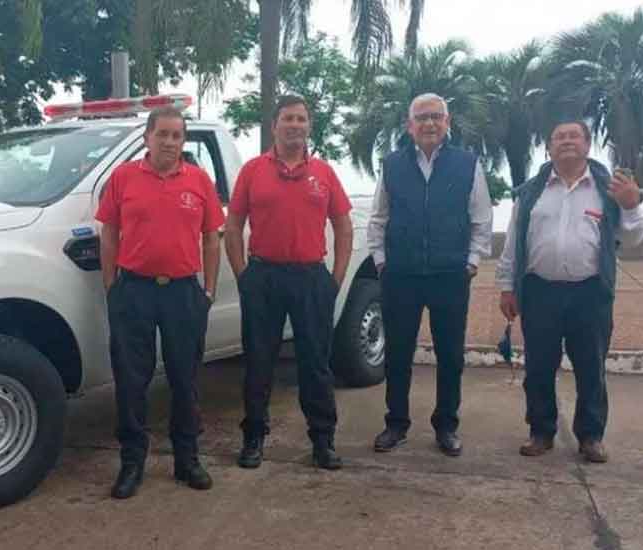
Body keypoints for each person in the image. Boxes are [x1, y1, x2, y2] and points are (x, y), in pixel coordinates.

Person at [96, 107, 225, 499]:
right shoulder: (123, 178)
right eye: (162, 134)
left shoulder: (199, 180)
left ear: (184, 140)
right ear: (147, 138)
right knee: (132, 380)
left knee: (184, 380)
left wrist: (208, 290)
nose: (170, 142)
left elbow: (211, 238)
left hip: (184, 293)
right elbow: (109, 233)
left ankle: (187, 460)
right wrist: (112, 287)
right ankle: (132, 462)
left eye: (176, 135)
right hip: (133, 290)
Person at [497, 120, 643, 463]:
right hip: (539, 292)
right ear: (548, 147)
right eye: (558, 137)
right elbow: (513, 243)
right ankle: (541, 431)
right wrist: (507, 286)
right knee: (539, 367)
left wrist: (632, 205)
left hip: (590, 294)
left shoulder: (609, 189)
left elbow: (633, 239)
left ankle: (591, 436)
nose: (566, 141)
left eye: (573, 136)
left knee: (591, 367)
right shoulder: (532, 191)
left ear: (587, 145)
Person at [225, 95, 354, 471]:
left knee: (315, 363)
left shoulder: (325, 173)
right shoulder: (252, 171)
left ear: (308, 126)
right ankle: (253, 439)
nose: (295, 124)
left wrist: (335, 278)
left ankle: (322, 441)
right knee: (259, 362)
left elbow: (343, 226)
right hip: (262, 277)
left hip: (311, 278)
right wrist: (242, 275)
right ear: (274, 126)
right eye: (288, 118)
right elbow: (233, 226)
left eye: (301, 119)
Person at [368, 93, 493, 457]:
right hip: (401, 275)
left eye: (436, 117)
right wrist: (381, 261)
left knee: (450, 355)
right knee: (398, 353)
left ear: (447, 123)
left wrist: (470, 262)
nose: (429, 123)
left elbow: (481, 219)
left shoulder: (467, 164)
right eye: (422, 117)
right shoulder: (392, 165)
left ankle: (447, 425)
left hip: (449, 276)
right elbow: (379, 217)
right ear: (409, 126)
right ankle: (396, 423)